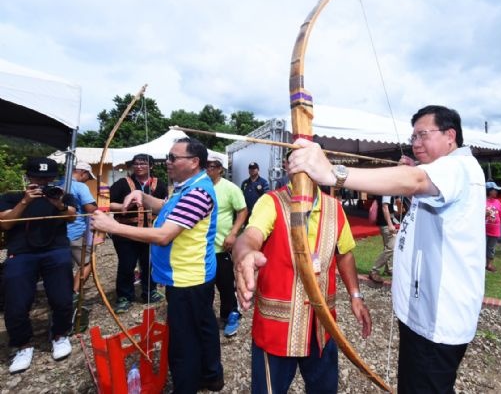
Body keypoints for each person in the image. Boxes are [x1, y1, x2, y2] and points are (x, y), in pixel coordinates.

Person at [286, 105, 485, 393]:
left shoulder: (458, 167)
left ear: (450, 135)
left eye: (423, 135)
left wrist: (332, 173)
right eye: (413, 137)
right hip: (424, 312)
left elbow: (415, 181)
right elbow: (418, 178)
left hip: (437, 317)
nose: (415, 143)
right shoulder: (446, 170)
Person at [92, 138, 224, 392]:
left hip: (188, 279)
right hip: (193, 276)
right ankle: (211, 375)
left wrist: (113, 226)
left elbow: (164, 235)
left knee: (183, 343)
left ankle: (187, 386)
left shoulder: (198, 192)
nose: (168, 162)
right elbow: (167, 207)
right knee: (204, 327)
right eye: (168, 156)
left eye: (174, 157)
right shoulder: (188, 187)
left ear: (194, 162)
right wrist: (141, 195)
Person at [233, 170, 371, 393]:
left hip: (322, 327)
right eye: (296, 160)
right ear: (288, 166)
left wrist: (355, 295)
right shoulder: (272, 202)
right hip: (277, 330)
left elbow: (344, 253)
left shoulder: (334, 207)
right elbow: (250, 236)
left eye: (310, 161)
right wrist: (245, 254)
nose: (303, 169)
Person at [0, 158, 76, 374]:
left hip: (55, 249)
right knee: (15, 302)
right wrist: (24, 202)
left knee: (62, 296)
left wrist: (58, 204)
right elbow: (5, 223)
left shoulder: (61, 195)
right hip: (22, 252)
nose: (43, 182)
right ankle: (23, 345)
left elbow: (71, 216)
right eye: (38, 178)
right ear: (28, 177)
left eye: (48, 178)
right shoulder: (12, 197)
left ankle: (61, 334)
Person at [109, 154, 168, 313]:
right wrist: (125, 205)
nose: (139, 166)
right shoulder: (122, 183)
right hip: (126, 233)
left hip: (150, 232)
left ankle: (150, 291)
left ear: (151, 166)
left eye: (143, 163)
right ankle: (124, 296)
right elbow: (108, 204)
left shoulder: (159, 184)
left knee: (149, 263)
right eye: (136, 164)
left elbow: (165, 204)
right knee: (126, 264)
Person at [205, 156, 248, 337]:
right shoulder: (198, 186)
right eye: (206, 166)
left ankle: (230, 315)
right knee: (205, 287)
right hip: (201, 248)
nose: (209, 169)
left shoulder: (230, 188)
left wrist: (233, 234)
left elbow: (242, 211)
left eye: (213, 166)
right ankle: (206, 319)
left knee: (226, 285)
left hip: (222, 247)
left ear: (220, 169)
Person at [62, 161, 98, 300]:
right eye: (88, 177)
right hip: (76, 232)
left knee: (64, 265)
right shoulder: (79, 186)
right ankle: (74, 292)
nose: (87, 181)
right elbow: (90, 209)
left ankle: (64, 291)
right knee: (87, 263)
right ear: (83, 172)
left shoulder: (57, 184)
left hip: (57, 233)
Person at [368, 195, 397, 283]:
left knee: (388, 245)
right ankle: (374, 270)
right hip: (386, 223)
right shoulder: (387, 191)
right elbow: (385, 207)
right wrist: (390, 224)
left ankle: (389, 268)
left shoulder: (385, 189)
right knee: (391, 247)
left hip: (384, 222)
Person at [485, 181, 501, 272]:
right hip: (483, 230)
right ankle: (479, 264)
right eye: (495, 190)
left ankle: (489, 265)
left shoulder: (498, 202)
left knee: (491, 248)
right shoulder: (481, 201)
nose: (497, 192)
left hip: (494, 231)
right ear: (489, 191)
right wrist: (483, 214)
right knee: (481, 248)